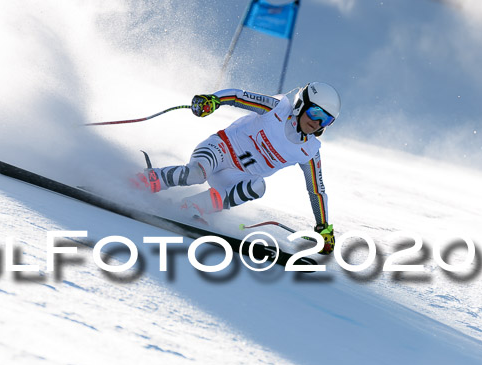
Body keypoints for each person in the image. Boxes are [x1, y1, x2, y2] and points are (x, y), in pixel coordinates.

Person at [132, 82, 339, 254]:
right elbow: (239, 96)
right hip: (220, 149)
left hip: (235, 176)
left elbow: (317, 190)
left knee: (258, 186)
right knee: (196, 174)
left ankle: (193, 207)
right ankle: (151, 179)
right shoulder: (277, 108)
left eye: (326, 120)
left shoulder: (309, 150)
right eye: (315, 112)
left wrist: (323, 228)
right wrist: (212, 100)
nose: (317, 122)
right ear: (302, 104)